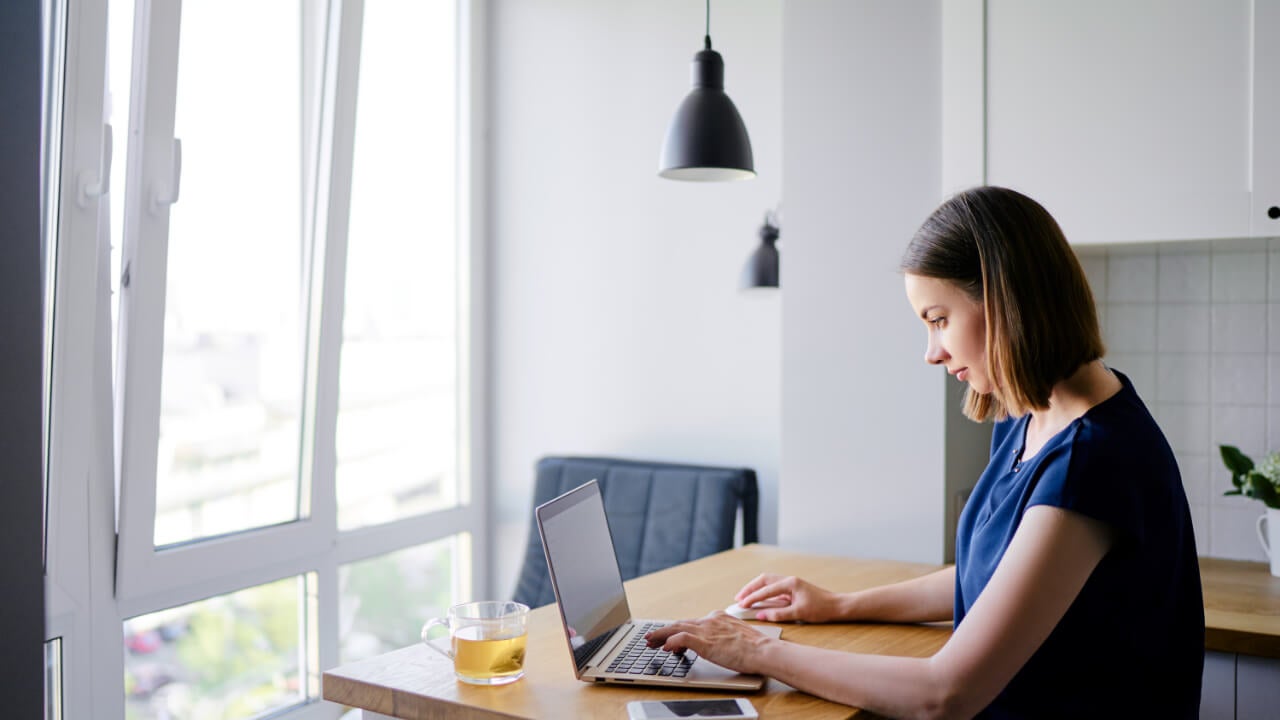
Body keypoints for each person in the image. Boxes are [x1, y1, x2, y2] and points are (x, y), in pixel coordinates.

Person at [646, 186, 1204, 719]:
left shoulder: (1093, 459)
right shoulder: (1034, 417)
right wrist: (838, 605)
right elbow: (993, 577)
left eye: (939, 320)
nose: (932, 353)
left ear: (1007, 300)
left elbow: (945, 695)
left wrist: (755, 652)